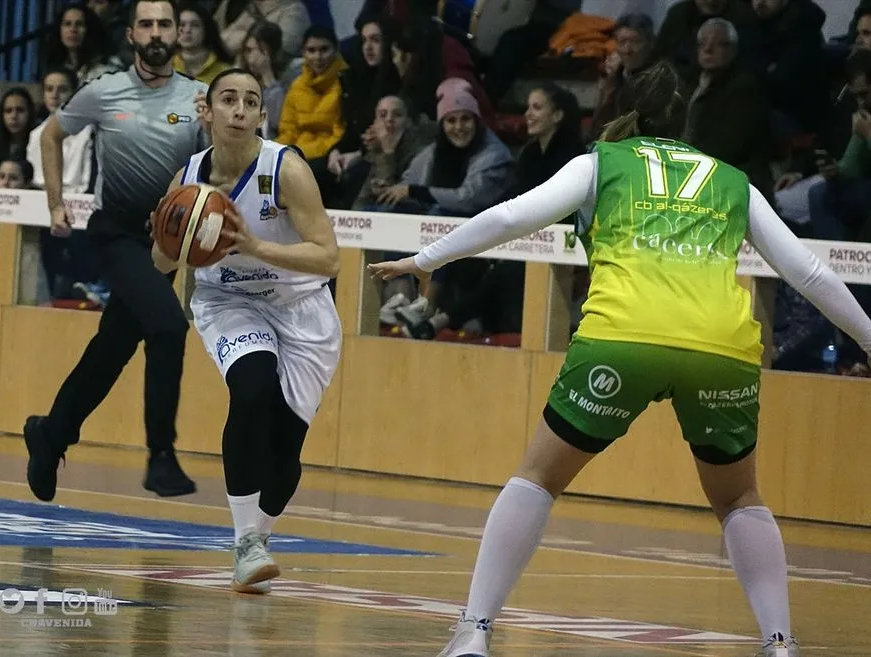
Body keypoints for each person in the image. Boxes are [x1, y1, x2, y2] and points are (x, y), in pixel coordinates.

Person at [368, 61, 871, 657]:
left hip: (623, 336)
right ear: (686, 121)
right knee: (738, 498)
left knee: (538, 478)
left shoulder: (599, 164)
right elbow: (808, 271)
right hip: (720, 347)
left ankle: (473, 633)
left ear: (626, 112)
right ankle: (780, 643)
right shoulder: (733, 181)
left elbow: (508, 217)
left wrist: (424, 261)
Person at [152, 67, 341, 594]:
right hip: (227, 299)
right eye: (227, 99)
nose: (239, 109)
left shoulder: (286, 169)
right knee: (252, 389)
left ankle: (259, 539)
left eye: (250, 101)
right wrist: (171, 235)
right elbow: (161, 264)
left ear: (262, 115)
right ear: (206, 111)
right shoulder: (187, 177)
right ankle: (243, 544)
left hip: (302, 304)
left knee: (285, 449)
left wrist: (257, 247)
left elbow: (328, 258)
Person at [23, 0, 208, 502]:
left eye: (163, 24)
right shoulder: (105, 90)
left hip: (167, 243)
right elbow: (51, 134)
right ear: (131, 34)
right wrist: (56, 202)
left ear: (177, 34)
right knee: (168, 326)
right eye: (145, 24)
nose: (155, 32)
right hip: (117, 233)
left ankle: (51, 432)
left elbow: (220, 165)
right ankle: (161, 455)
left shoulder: (199, 98)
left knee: (112, 350)